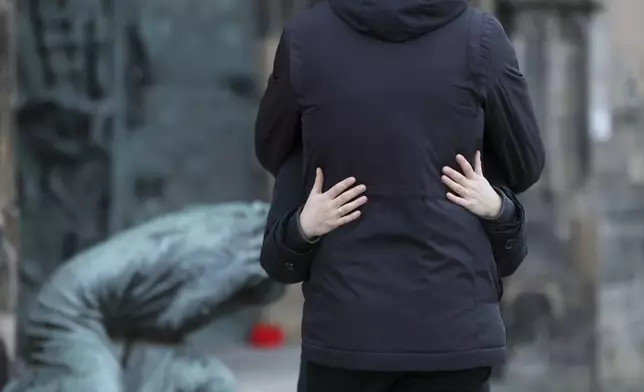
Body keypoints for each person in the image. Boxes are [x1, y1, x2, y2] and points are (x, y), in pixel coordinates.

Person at [255, 0, 545, 391]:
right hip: (453, 326)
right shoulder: (481, 37)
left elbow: (274, 146)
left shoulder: (305, 38)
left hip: (346, 327)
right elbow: (524, 163)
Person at [260, 146, 528, 392]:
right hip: (348, 351)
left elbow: (511, 256)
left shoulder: (464, 134)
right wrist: (303, 227)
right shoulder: (317, 135)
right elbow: (277, 263)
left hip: (448, 352)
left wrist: (498, 209)